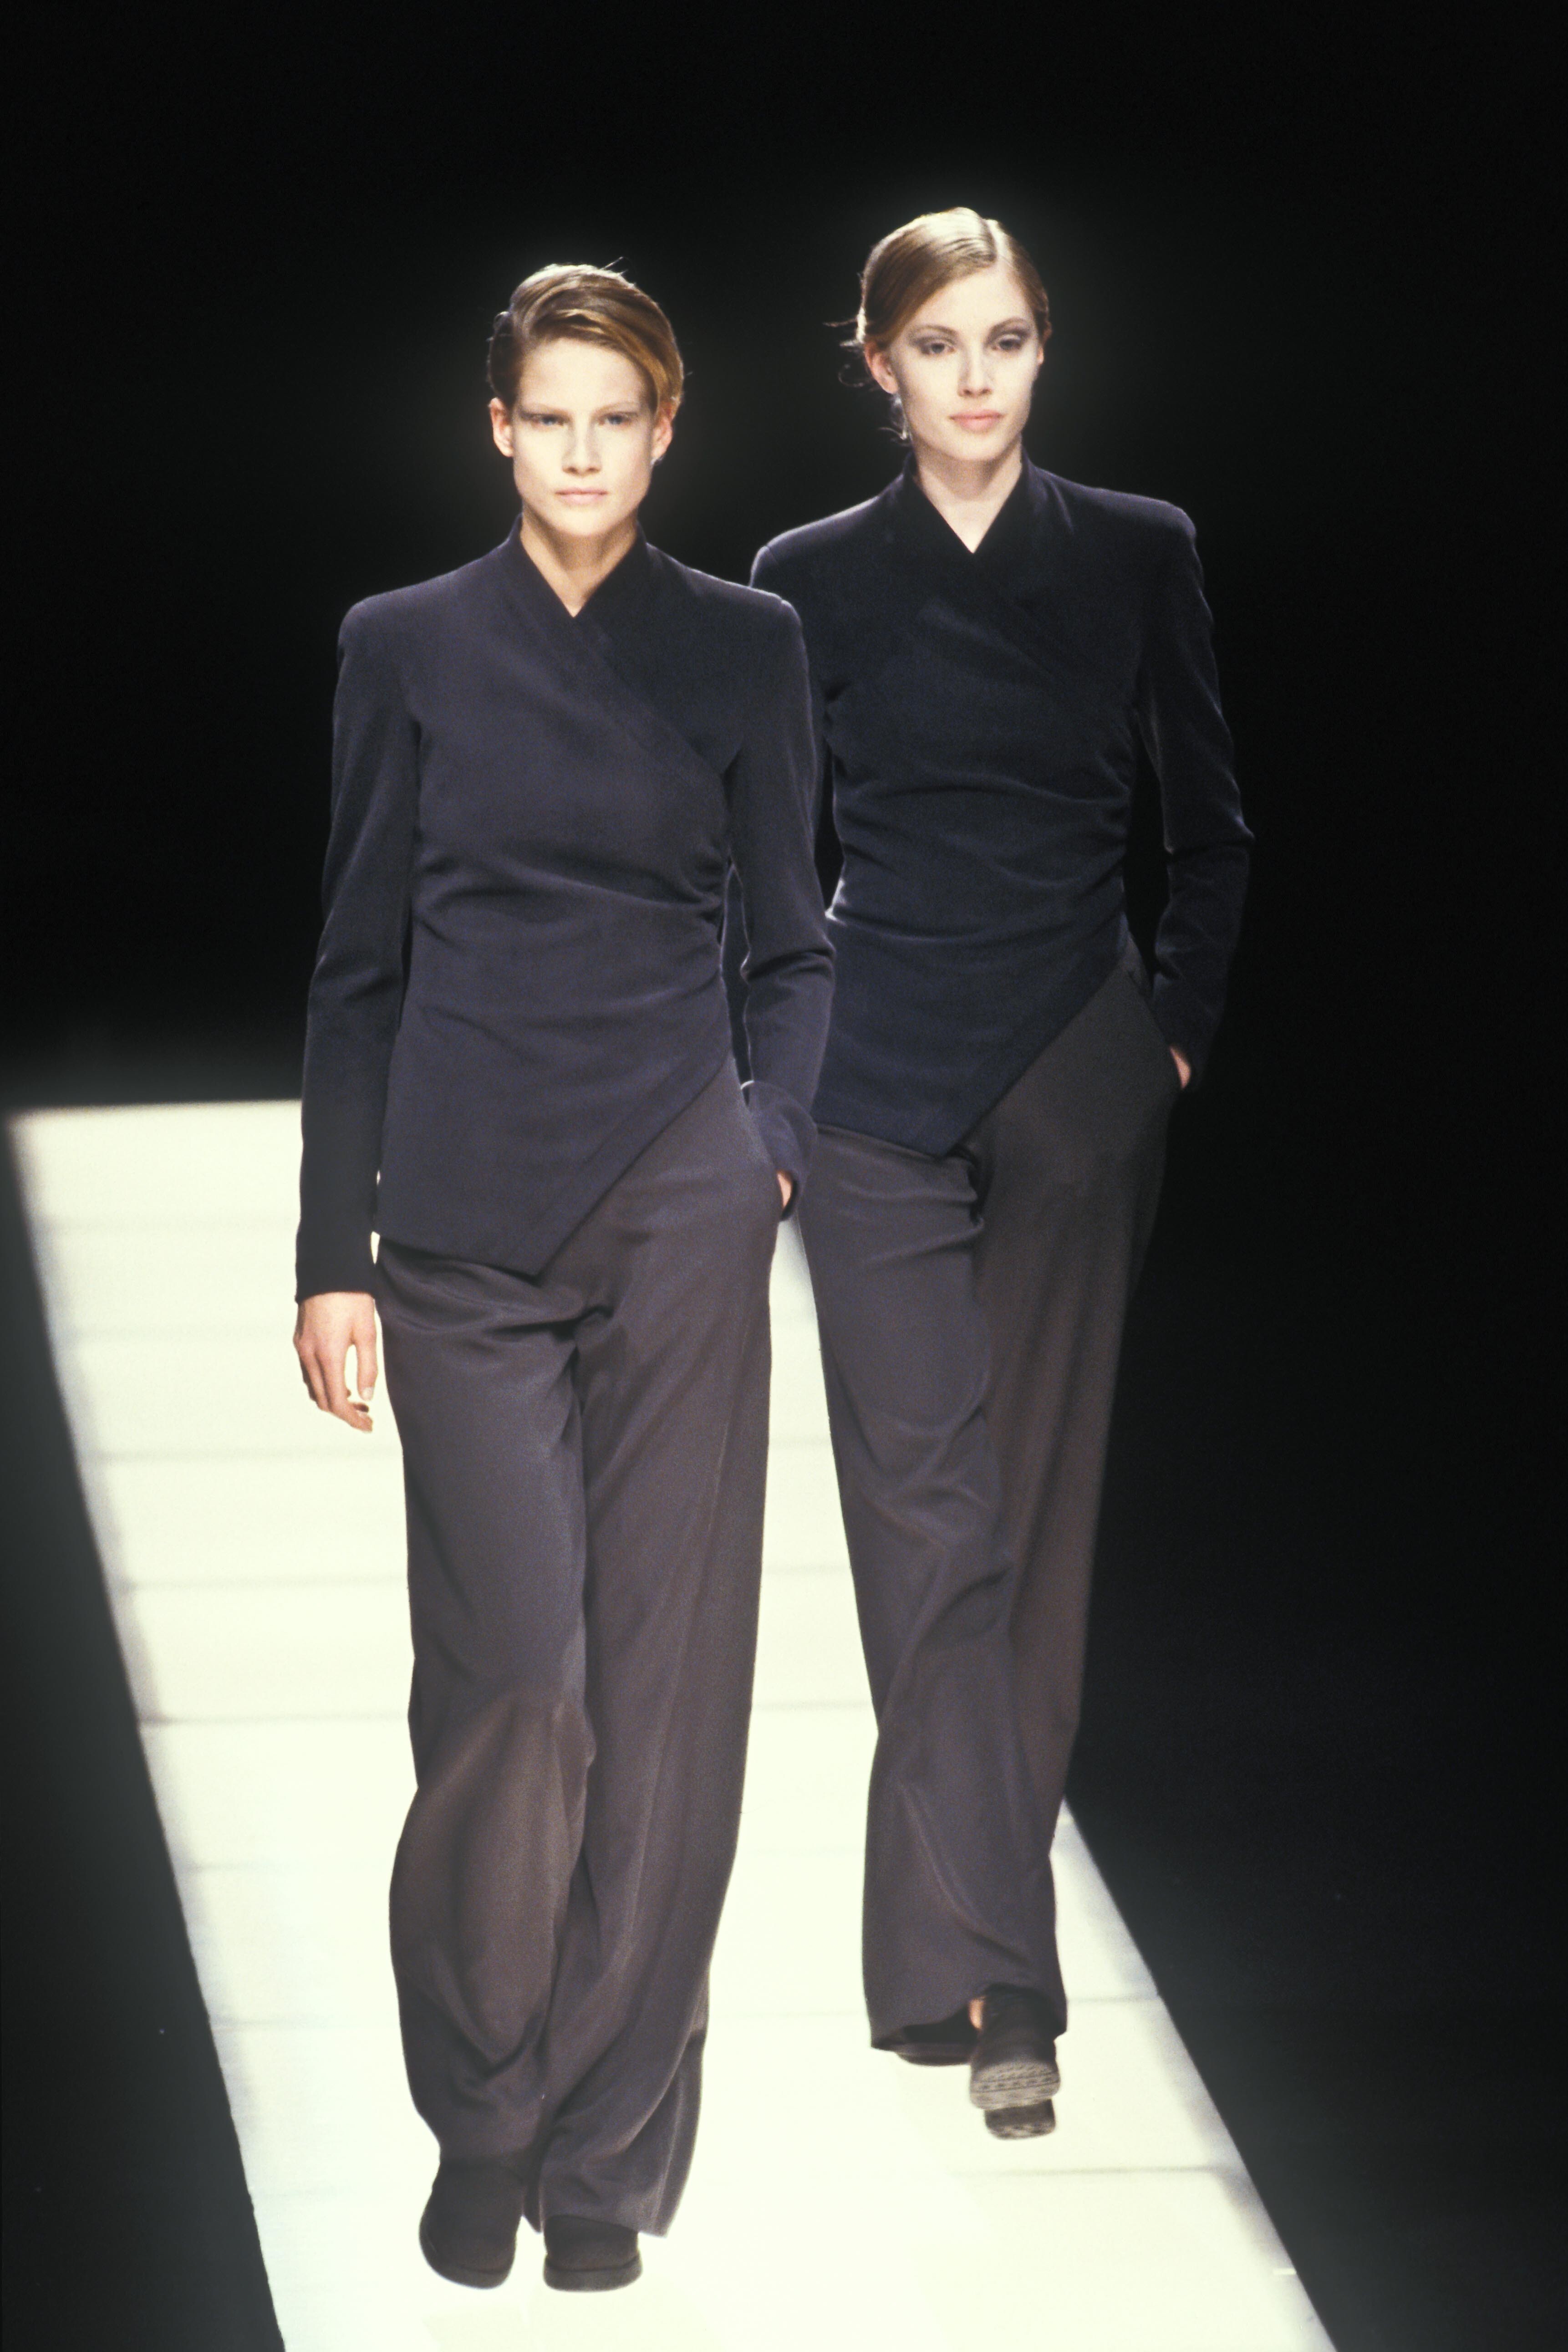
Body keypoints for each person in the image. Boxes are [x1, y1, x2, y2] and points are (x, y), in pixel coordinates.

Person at [291, 264, 832, 2292]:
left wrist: (769, 1149)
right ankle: (485, 2108)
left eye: (621, 418)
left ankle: (603, 2154)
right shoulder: (407, 645)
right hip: (456, 1225)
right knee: (516, 1687)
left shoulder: (747, 646)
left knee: (669, 1702)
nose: (585, 451)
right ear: (499, 429)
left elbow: (795, 939)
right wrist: (327, 1253)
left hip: (680, 1203)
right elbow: (355, 964)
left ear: (664, 430)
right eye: (553, 417)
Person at [744, 207, 1250, 2138]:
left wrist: (1166, 1033)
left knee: (1031, 1525)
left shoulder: (1135, 549)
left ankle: (965, 1972)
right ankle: (1004, 1975)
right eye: (940, 343)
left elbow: (1212, 824)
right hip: (872, 1084)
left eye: (1008, 339)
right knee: (926, 1524)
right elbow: (762, 861)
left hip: (1071, 1074)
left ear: (1045, 353)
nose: (976, 376)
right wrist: (771, 1081)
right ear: (879, 363)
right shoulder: (803, 582)